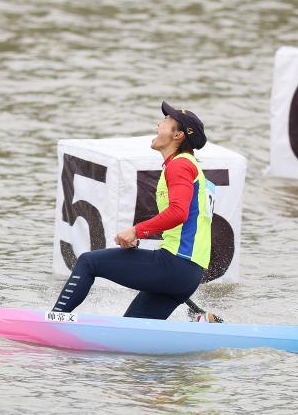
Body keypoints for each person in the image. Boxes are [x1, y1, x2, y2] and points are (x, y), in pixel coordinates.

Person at [52, 101, 217, 320]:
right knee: (129, 338)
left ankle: (52, 320)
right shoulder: (187, 165)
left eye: (167, 121)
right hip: (189, 273)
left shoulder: (180, 165)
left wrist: (136, 231)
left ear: (178, 136)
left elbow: (179, 213)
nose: (159, 123)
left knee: (87, 262)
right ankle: (203, 325)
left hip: (176, 265)